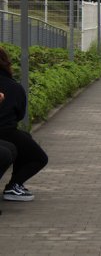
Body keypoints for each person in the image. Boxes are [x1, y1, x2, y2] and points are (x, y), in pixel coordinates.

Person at [0, 47, 48, 202]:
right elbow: (20, 114)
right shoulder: (14, 87)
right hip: (6, 131)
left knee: (24, 139)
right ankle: (14, 185)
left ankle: (14, 186)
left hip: (7, 133)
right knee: (39, 157)